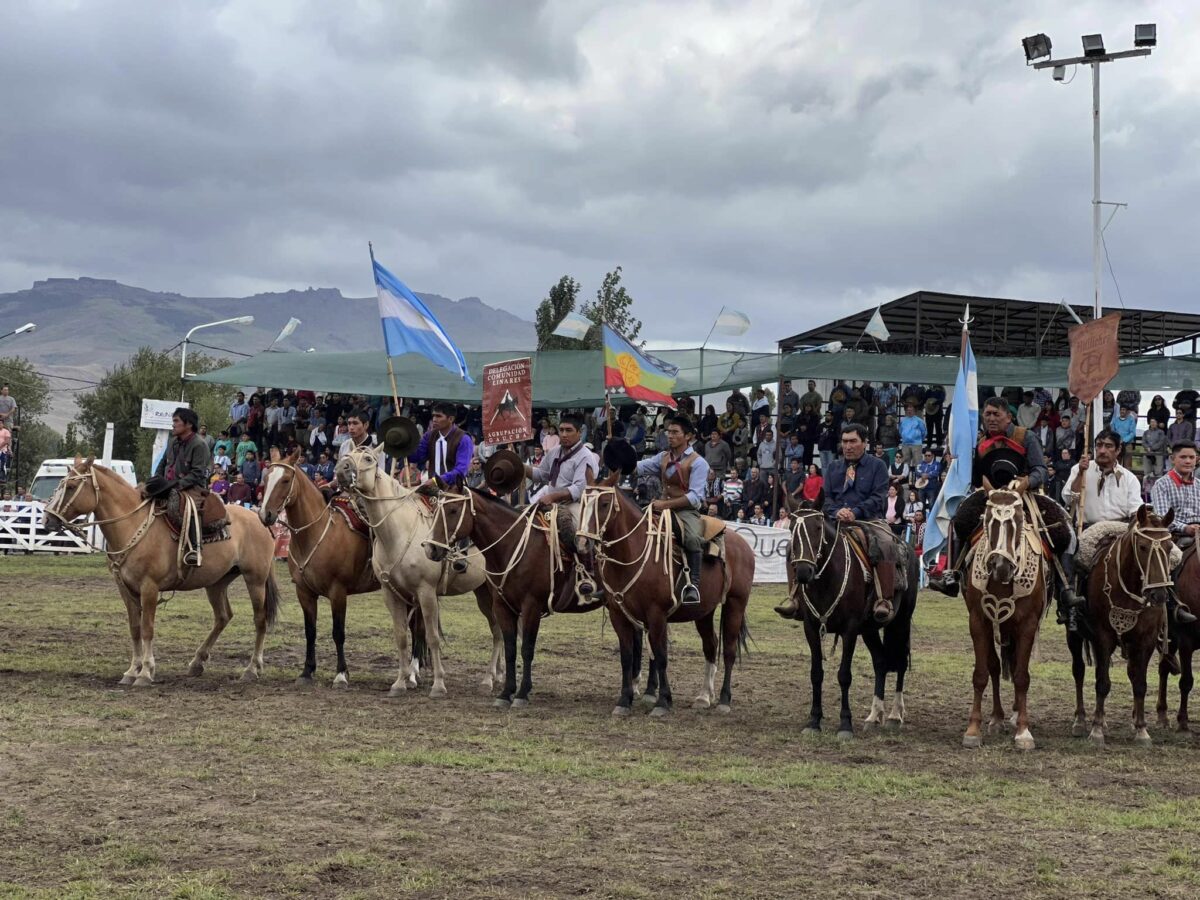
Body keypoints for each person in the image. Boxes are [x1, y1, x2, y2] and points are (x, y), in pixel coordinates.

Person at [926, 397, 1076, 608]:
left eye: (996, 414)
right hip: (990, 497)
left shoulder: (1027, 437)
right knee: (959, 521)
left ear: (1009, 416)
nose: (991, 418)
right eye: (987, 414)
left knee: (1063, 529)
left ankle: (1064, 589)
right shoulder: (980, 443)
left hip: (1024, 496)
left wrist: (1024, 483)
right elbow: (977, 477)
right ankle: (954, 575)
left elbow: (1040, 470)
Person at [1064, 431, 1195, 626]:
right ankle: (1071, 607)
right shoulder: (1081, 469)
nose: (1102, 450)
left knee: (1171, 556)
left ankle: (1171, 604)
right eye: (1099, 445)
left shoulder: (1129, 477)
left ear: (1118, 450)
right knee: (1073, 554)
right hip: (1089, 527)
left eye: (1108, 446)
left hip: (1123, 528)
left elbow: (1136, 510)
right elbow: (1068, 498)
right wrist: (1081, 474)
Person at [775, 423, 895, 621]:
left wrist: (855, 512)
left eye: (853, 441)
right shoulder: (832, 468)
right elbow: (826, 498)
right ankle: (794, 598)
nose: (848, 446)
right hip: (834, 520)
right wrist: (836, 511)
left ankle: (884, 600)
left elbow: (879, 497)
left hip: (869, 520)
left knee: (885, 544)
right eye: (845, 441)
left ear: (864, 443)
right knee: (792, 546)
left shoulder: (878, 466)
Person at [633, 415, 709, 605]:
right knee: (633, 528)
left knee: (692, 539)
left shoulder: (699, 462)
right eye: (669, 432)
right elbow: (638, 468)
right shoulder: (663, 457)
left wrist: (664, 505)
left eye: (675, 432)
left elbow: (695, 497)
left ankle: (693, 585)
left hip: (686, 511)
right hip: (660, 507)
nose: (670, 436)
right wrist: (620, 456)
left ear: (688, 436)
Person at [527, 412, 601, 599]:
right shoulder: (554, 452)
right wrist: (519, 466)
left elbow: (578, 488)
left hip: (574, 504)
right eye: (561, 430)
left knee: (575, 530)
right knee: (524, 520)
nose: (564, 434)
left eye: (569, 430)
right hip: (549, 499)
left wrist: (553, 497)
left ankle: (587, 571)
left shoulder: (585, 456)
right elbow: (540, 475)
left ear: (579, 432)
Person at [150, 407, 219, 566]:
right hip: (169, 484)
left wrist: (176, 486)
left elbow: (198, 473)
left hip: (193, 487)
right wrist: (156, 481)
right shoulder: (173, 441)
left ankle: (195, 548)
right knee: (144, 491)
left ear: (188, 424)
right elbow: (162, 464)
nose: (173, 425)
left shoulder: (199, 444)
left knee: (188, 506)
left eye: (176, 421)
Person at [1152, 441, 1200, 546]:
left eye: (1192, 457)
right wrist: (1185, 528)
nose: (1188, 461)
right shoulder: (1162, 484)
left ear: (1196, 460)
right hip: (1176, 535)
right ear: (1172, 459)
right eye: (1183, 457)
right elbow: (1162, 518)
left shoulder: (1199, 484)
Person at [898, 405, 926, 469]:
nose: (909, 412)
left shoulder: (919, 420)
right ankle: (905, 478)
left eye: (911, 410)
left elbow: (923, 432)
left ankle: (918, 478)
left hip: (916, 444)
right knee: (905, 463)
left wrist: (919, 439)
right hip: (905, 444)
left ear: (914, 411)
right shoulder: (903, 420)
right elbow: (900, 431)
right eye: (908, 410)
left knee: (918, 462)